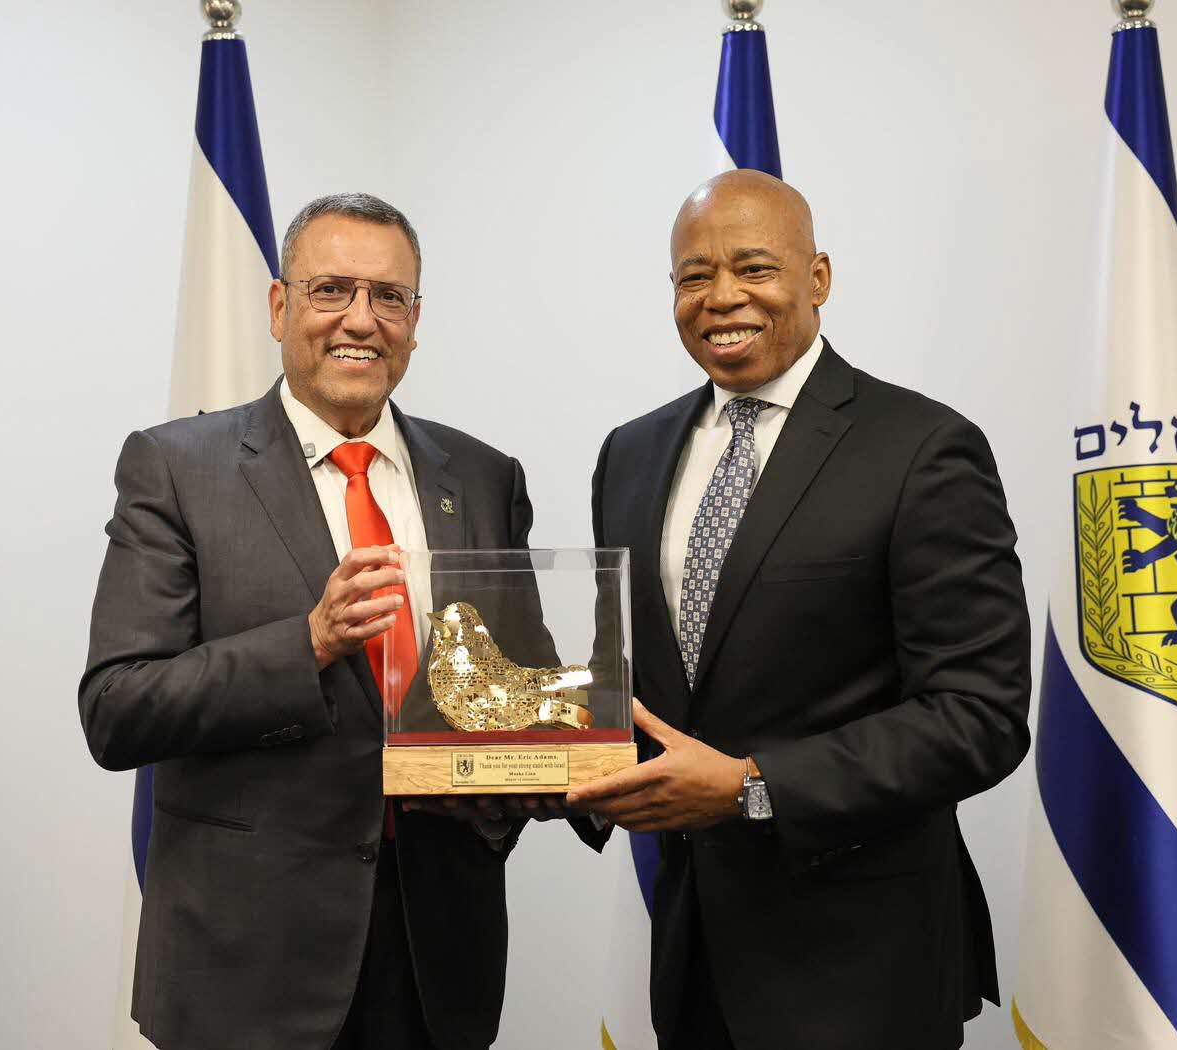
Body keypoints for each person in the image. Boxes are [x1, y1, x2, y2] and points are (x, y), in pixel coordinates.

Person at [569, 170, 1032, 1050]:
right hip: (693, 960)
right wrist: (525, 763)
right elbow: (630, 683)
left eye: (754, 268)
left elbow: (981, 715)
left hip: (864, 969)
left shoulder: (923, 449)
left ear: (818, 279)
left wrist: (753, 786)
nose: (722, 297)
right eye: (694, 276)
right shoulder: (630, 453)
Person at [79, 193, 534, 1050]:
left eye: (388, 296)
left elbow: (513, 691)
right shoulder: (176, 468)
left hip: (437, 960)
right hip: (247, 964)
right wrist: (309, 642)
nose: (361, 319)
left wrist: (578, 754)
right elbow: (117, 707)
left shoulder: (482, 476)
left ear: (415, 320)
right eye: (331, 290)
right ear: (279, 307)